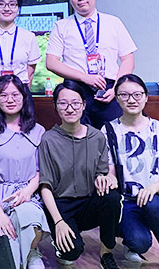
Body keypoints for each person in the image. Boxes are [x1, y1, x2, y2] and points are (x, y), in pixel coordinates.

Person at [102, 74, 159, 269]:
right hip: (127, 201)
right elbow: (110, 170)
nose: (131, 100)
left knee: (153, 204)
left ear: (146, 97)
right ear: (117, 98)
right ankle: (132, 240)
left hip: (156, 199)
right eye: (124, 95)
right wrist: (109, 178)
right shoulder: (108, 130)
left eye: (137, 94)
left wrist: (151, 189)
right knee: (140, 243)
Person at [38, 79, 122, 269]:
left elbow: (103, 172)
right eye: (63, 103)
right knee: (72, 252)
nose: (70, 108)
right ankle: (60, 241)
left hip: (88, 202)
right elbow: (45, 186)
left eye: (75, 103)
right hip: (61, 205)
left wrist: (106, 179)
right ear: (55, 106)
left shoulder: (97, 136)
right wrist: (58, 221)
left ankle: (106, 251)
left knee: (112, 197)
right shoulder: (48, 139)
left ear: (84, 105)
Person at [46, 0, 137, 129]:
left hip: (108, 88)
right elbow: (51, 62)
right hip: (76, 90)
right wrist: (85, 77)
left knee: (115, 133)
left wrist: (116, 88)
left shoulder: (113, 22)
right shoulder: (61, 26)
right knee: (78, 137)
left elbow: (128, 59)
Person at [0, 74, 48, 269]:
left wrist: (28, 192)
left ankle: (32, 252)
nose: (10, 100)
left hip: (27, 195)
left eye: (15, 95)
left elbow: (41, 171)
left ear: (24, 97)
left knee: (28, 218)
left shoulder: (38, 131)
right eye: (3, 95)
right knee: (6, 260)